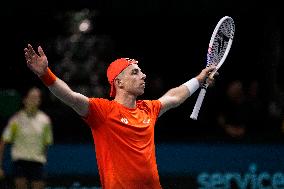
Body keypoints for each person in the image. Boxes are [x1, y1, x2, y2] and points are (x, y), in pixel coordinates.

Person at [24, 44, 216, 189]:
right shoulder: (102, 112)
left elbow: (174, 96)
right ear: (119, 82)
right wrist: (45, 74)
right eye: (135, 72)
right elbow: (71, 97)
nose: (143, 76)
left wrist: (199, 79)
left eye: (141, 71)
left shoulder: (148, 109)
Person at [0, 87, 53, 189]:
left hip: (37, 163)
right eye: (32, 97)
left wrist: (42, 160)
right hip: (20, 162)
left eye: (37, 98)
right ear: (25, 100)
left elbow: (47, 143)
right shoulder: (16, 119)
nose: (34, 100)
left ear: (39, 101)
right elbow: (3, 141)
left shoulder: (45, 121)